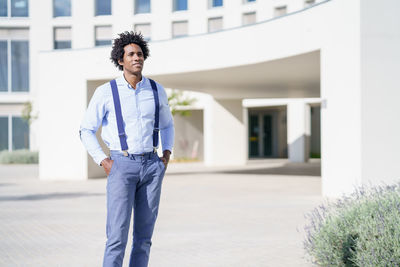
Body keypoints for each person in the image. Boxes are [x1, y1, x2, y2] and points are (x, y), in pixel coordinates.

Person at [79, 31, 174, 267]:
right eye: (131, 54)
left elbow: (167, 124)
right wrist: (103, 160)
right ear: (120, 60)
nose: (136, 58)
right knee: (116, 237)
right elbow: (86, 130)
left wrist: (166, 154)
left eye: (140, 54)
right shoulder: (106, 92)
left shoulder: (155, 90)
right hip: (121, 165)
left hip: (152, 166)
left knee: (144, 238)